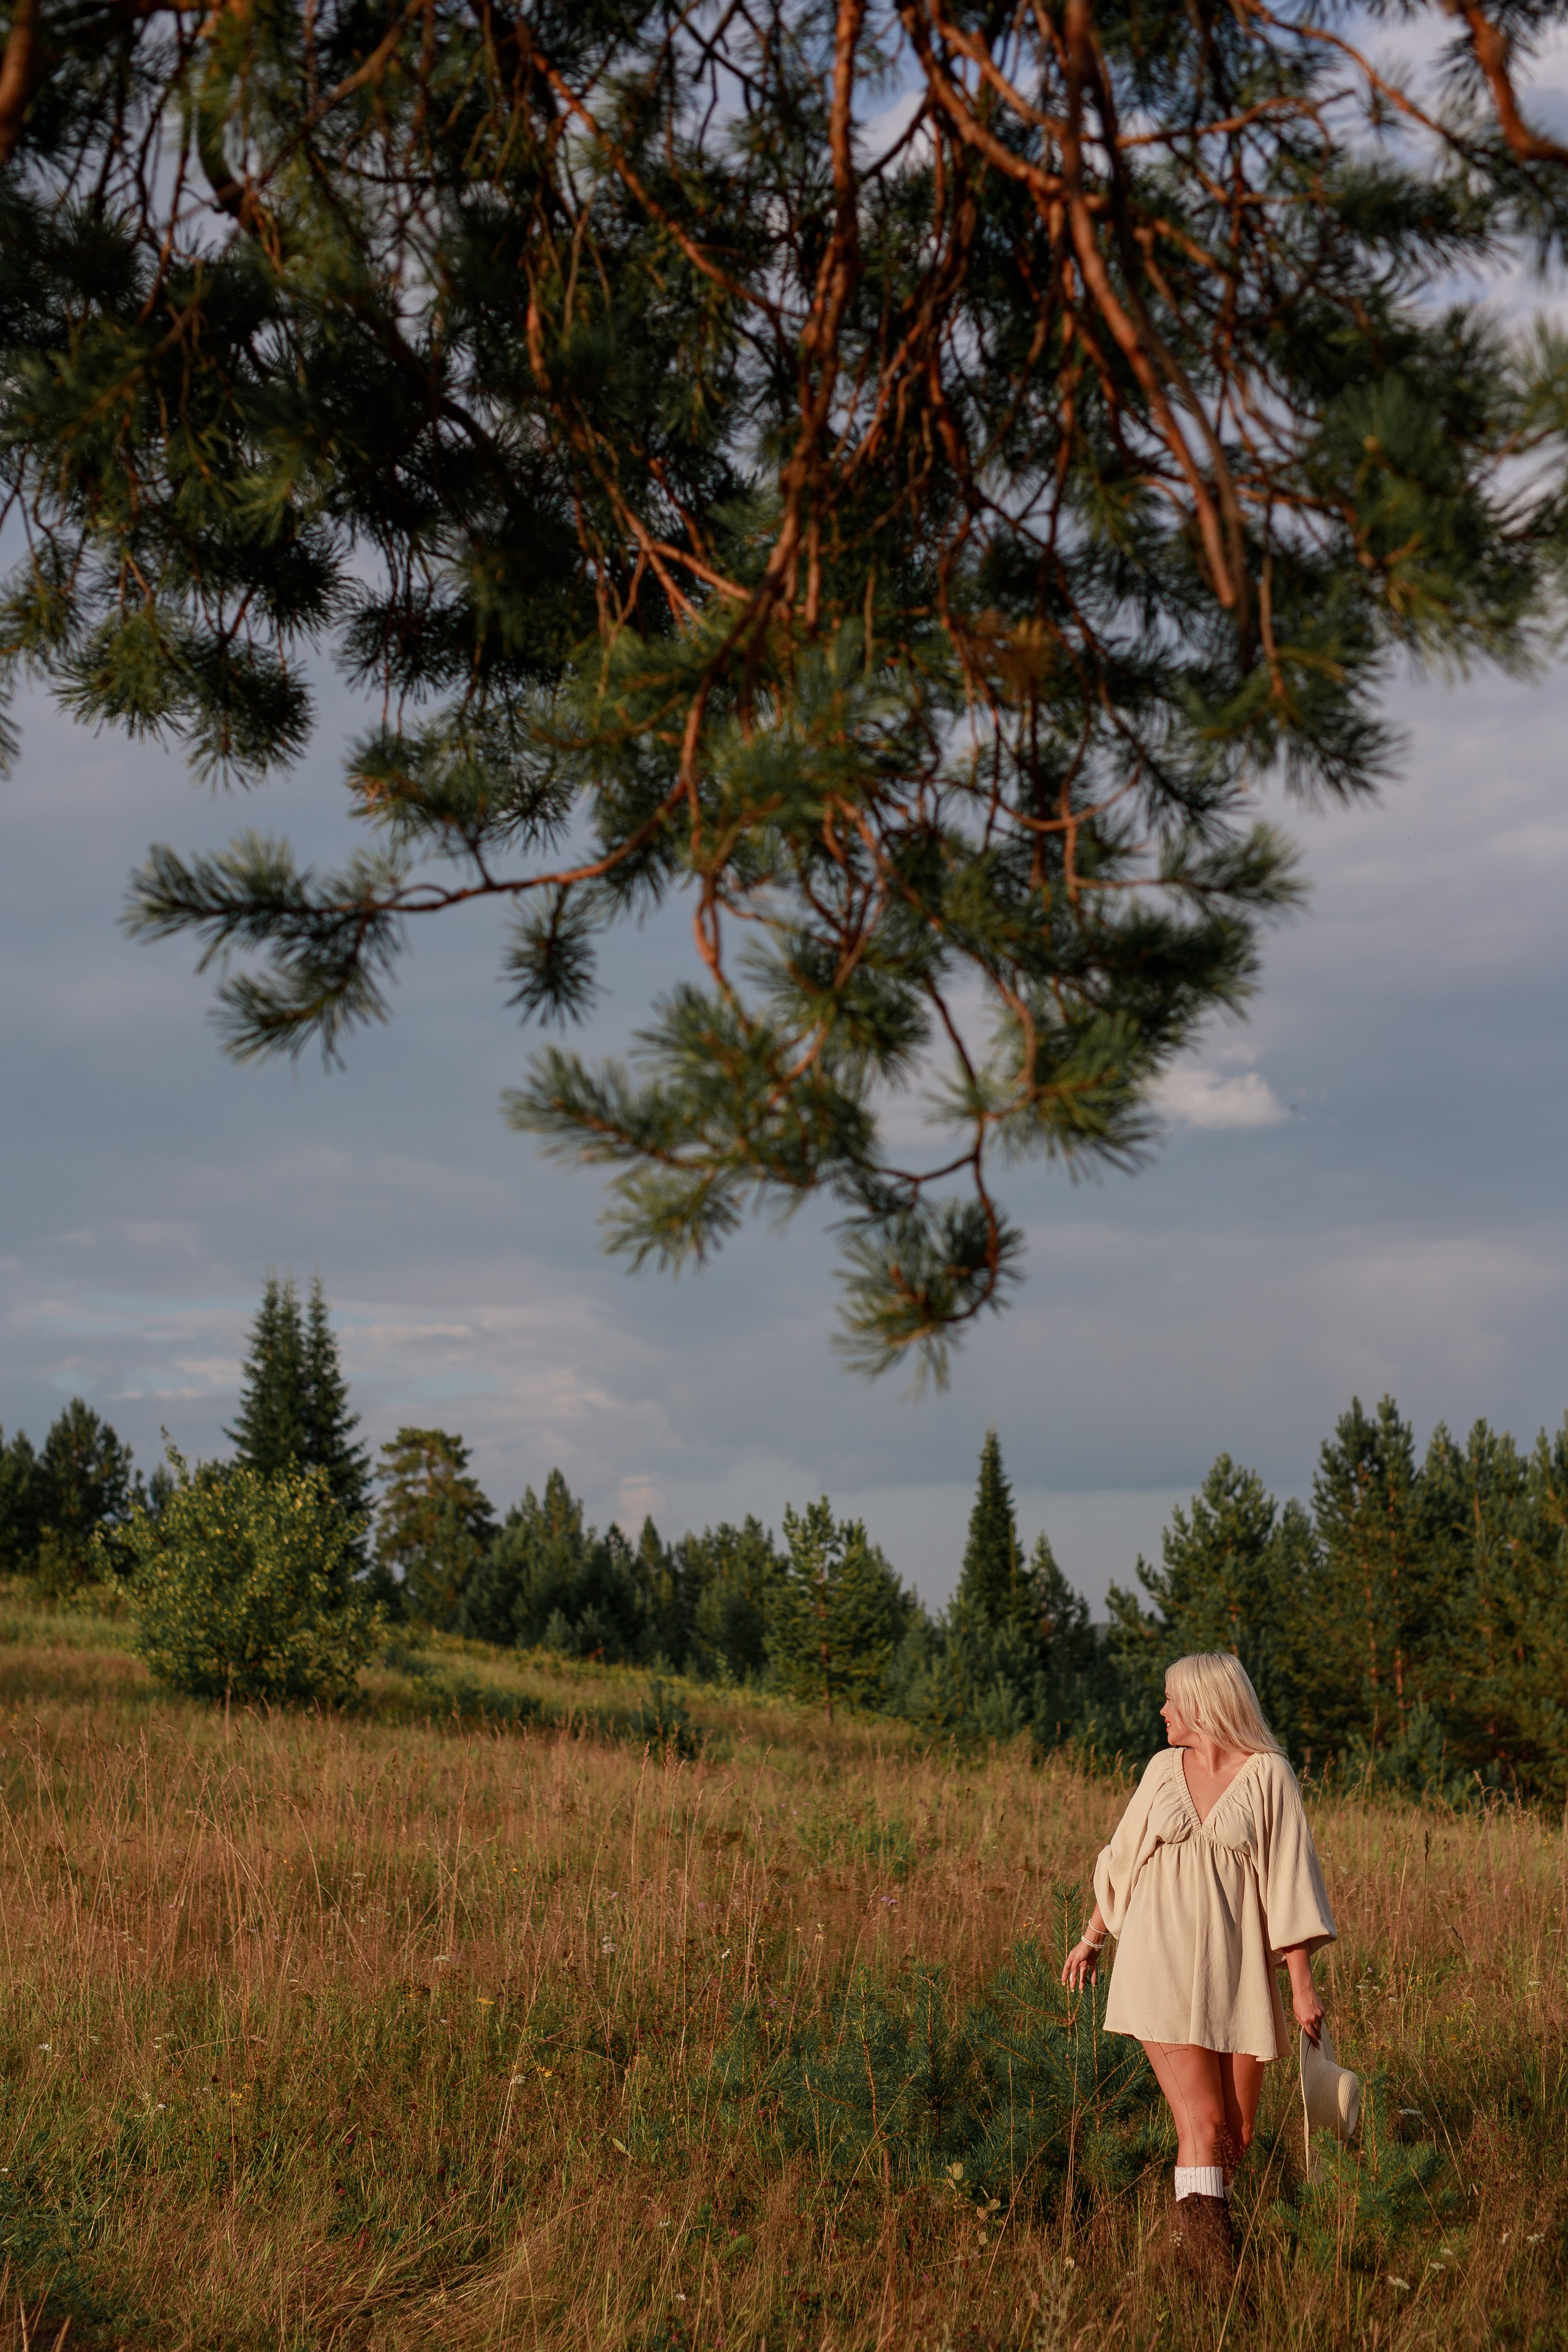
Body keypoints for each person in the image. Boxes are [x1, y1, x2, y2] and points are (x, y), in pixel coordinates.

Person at [1060, 1653, 1336, 2280]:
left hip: (1237, 1974)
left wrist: (1301, 1986)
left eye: (1171, 1699)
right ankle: (1215, 2281)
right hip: (1157, 1964)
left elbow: (1289, 1881)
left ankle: (1186, 2252)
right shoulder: (1162, 1769)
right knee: (1204, 2125)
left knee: (1234, 2136)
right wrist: (1091, 1938)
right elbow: (1123, 1857)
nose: (1162, 1710)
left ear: (1206, 1705)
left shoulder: (1269, 1774)